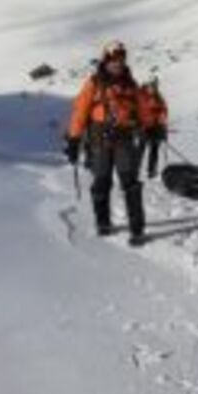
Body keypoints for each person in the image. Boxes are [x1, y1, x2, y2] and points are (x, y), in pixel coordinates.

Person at [65, 40, 160, 245]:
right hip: (99, 139)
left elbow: (143, 109)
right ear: (106, 61)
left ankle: (137, 229)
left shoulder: (130, 84)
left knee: (131, 184)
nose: (117, 63)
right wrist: (74, 139)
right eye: (114, 60)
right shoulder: (94, 83)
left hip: (124, 139)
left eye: (121, 59)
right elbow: (80, 112)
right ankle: (103, 222)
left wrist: (152, 126)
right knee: (101, 182)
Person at [143, 78, 170, 180]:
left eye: (155, 86)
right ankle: (134, 170)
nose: (153, 88)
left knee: (154, 149)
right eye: (151, 86)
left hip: (156, 128)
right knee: (140, 149)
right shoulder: (142, 97)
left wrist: (162, 120)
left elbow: (164, 110)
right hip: (144, 128)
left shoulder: (159, 98)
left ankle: (151, 170)